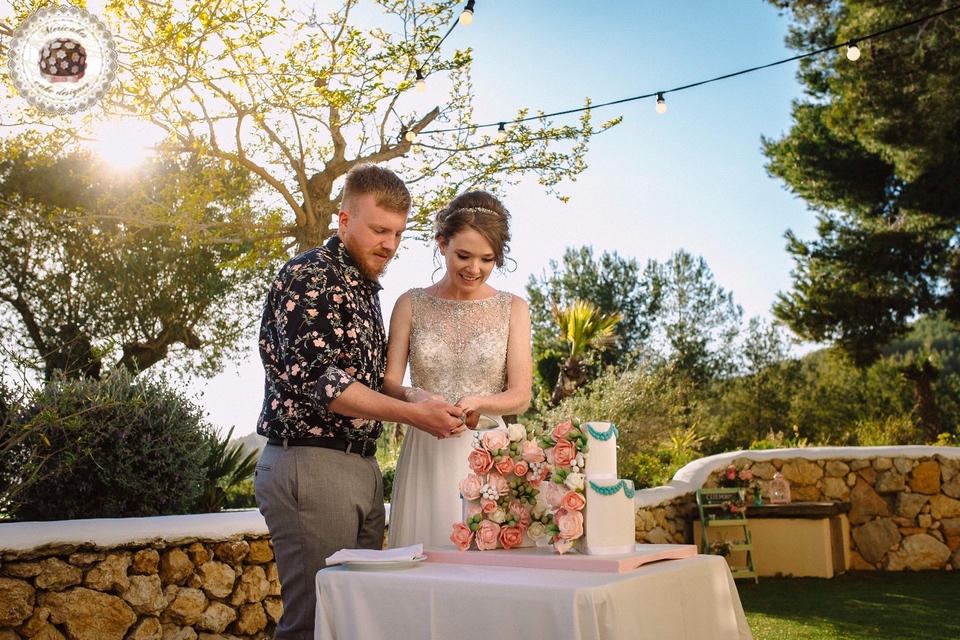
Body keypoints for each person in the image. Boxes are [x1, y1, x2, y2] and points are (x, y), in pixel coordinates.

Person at [254, 163, 467, 640]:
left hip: (360, 466)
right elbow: (326, 383)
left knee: (353, 622)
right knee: (314, 623)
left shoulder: (363, 287)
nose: (389, 244)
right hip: (311, 463)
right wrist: (415, 415)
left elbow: (371, 382)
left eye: (397, 233)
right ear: (344, 220)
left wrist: (416, 395)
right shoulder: (310, 275)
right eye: (378, 230)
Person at [384, 190, 533, 549]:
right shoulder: (410, 304)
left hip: (489, 452)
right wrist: (415, 396)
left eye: (487, 259)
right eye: (463, 255)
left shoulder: (513, 308)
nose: (474, 268)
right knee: (425, 555)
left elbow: (521, 395)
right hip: (426, 450)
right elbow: (388, 384)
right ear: (442, 244)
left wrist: (478, 402)